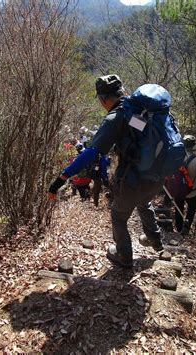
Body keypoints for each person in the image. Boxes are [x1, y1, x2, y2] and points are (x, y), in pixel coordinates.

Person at [48, 74, 164, 268]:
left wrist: (60, 179)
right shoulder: (136, 113)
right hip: (156, 176)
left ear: (102, 99)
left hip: (134, 177)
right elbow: (146, 134)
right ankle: (158, 243)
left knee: (118, 216)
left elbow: (91, 154)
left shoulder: (116, 117)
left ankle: (124, 256)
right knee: (145, 203)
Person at [169, 135, 196, 235]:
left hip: (178, 190)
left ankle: (179, 228)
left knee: (178, 208)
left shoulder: (177, 157)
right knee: (191, 208)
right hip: (191, 191)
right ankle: (186, 228)